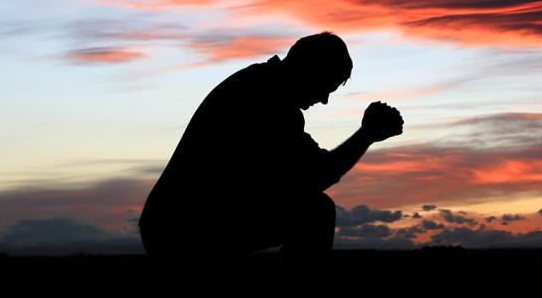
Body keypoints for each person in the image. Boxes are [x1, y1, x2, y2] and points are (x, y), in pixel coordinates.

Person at [138, 31, 404, 272]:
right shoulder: (265, 98)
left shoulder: (263, 86)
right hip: (183, 228)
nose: (323, 100)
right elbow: (318, 174)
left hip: (186, 222)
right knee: (315, 212)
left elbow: (301, 175)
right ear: (310, 70)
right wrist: (367, 134)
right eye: (326, 87)